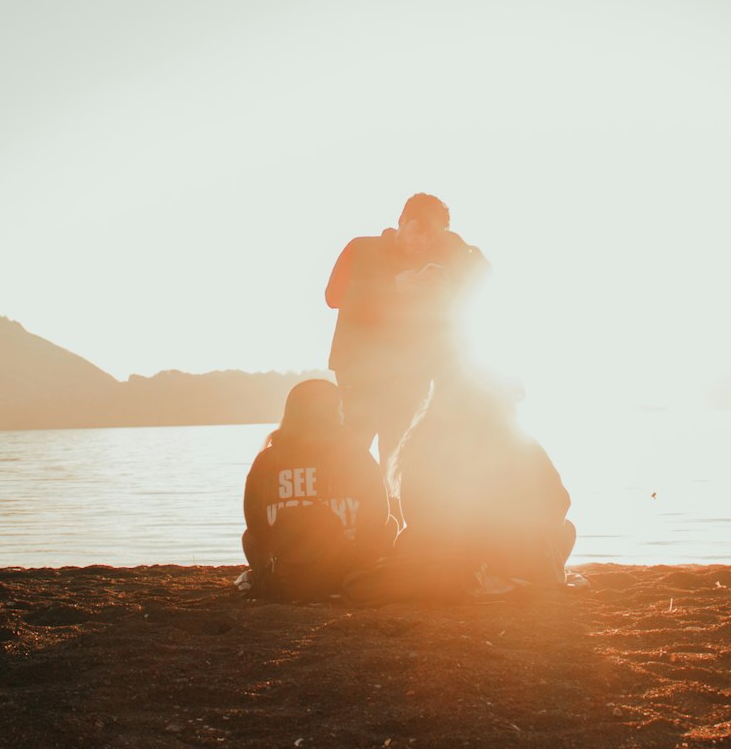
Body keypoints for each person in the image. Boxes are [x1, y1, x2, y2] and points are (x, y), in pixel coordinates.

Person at [344, 368, 576, 605]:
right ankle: (502, 573)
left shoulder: (418, 441)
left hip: (429, 548)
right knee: (564, 531)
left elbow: (412, 513)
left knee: (555, 533)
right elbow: (559, 502)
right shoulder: (515, 441)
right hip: (489, 552)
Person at [325, 193, 487, 470]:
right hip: (360, 368)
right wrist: (393, 285)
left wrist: (452, 247)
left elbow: (484, 273)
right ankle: (354, 507)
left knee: (400, 449)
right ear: (402, 220)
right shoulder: (362, 248)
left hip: (412, 370)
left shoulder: (442, 255)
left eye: (431, 236)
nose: (422, 241)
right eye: (418, 231)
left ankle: (395, 511)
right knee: (354, 445)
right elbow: (333, 297)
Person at [242, 378, 397, 601]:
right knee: (390, 524)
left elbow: (254, 521)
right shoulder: (356, 456)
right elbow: (379, 514)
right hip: (345, 570)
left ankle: (273, 577)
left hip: (288, 570)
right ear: (335, 412)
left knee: (249, 538)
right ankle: (358, 576)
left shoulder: (267, 460)